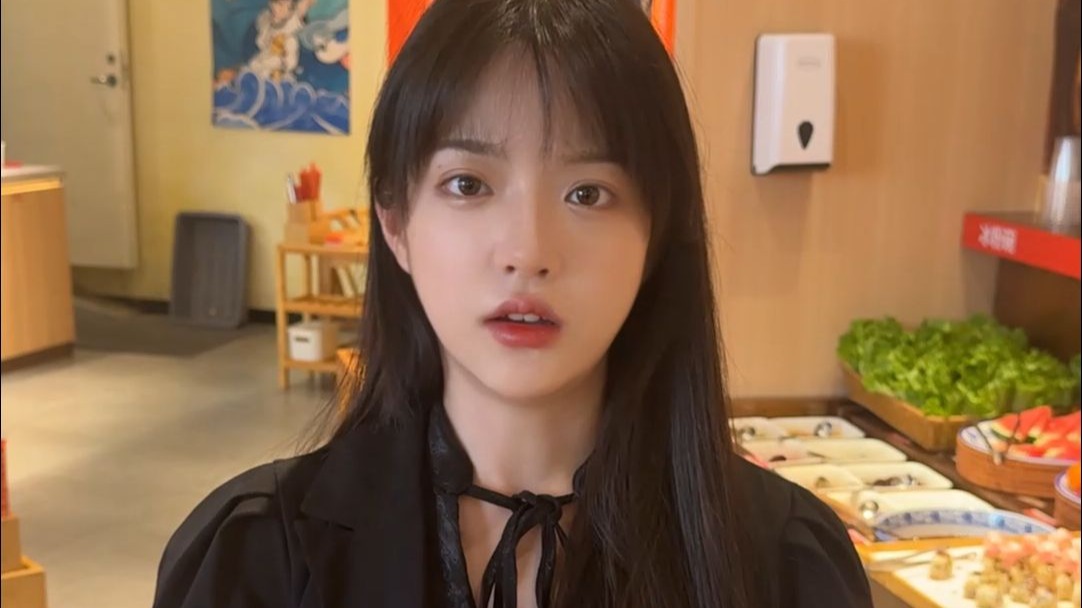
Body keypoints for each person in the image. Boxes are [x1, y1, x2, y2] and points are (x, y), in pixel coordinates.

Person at [153, 0, 874, 606]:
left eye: (588, 193)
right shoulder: (258, 562)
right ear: (395, 221)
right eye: (468, 184)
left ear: (658, 234)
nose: (527, 251)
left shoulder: (782, 562)